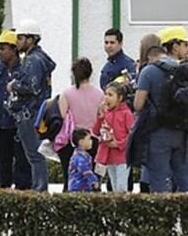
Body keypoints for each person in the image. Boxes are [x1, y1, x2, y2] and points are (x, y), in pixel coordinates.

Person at [133, 25, 188, 193]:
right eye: (185, 44)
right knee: (184, 177)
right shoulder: (186, 71)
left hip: (158, 132)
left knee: (159, 180)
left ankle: (163, 218)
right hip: (182, 131)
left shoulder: (149, 71)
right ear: (174, 47)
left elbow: (138, 105)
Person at [8, 19, 56, 192]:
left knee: (35, 155)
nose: (17, 42)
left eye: (20, 38)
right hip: (36, 111)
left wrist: (14, 85)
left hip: (30, 112)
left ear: (30, 39)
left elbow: (33, 86)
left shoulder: (33, 60)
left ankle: (39, 189)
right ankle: (39, 187)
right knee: (35, 154)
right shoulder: (38, 57)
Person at [0, 29, 31, 189]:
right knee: (3, 159)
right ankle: (2, 191)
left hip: (19, 122)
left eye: (3, 48)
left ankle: (22, 191)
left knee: (21, 159)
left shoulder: (24, 68)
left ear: (14, 49)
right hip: (2, 121)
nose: (0, 52)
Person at [58, 57, 104, 191]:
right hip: (93, 139)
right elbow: (101, 116)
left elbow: (61, 116)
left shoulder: (67, 94)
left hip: (74, 139)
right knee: (94, 177)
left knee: (71, 178)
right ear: (90, 72)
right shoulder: (99, 94)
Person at [93, 82, 135, 192]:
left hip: (122, 157)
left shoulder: (126, 113)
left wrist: (119, 143)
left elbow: (132, 136)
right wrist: (100, 118)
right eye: (106, 94)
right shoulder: (106, 113)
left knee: (121, 187)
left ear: (120, 98)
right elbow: (96, 132)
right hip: (108, 156)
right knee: (114, 185)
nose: (106, 98)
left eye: (110, 95)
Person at [68, 128, 99, 192]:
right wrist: (94, 180)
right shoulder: (79, 157)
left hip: (84, 187)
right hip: (77, 188)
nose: (91, 141)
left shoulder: (85, 155)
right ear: (81, 142)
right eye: (89, 139)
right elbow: (85, 170)